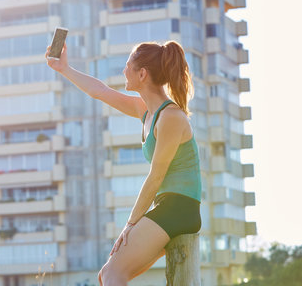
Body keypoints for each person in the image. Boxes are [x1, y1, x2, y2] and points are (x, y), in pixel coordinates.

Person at [45, 40, 202, 286]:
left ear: (142, 73)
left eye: (127, 66)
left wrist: (130, 224)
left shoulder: (170, 117)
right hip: (167, 207)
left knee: (111, 274)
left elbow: (156, 176)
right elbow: (100, 91)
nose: (123, 71)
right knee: (108, 274)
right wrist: (64, 68)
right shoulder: (147, 111)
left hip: (179, 209)